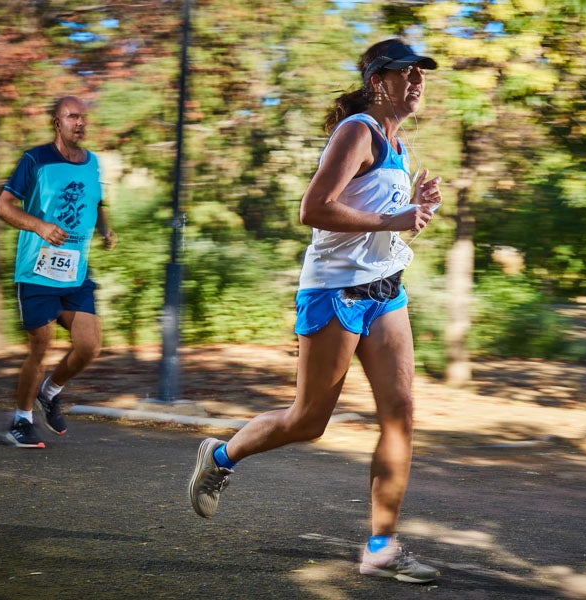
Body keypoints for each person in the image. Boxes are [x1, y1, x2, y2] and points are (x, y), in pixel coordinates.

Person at [187, 39, 443, 583]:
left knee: (400, 415)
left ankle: (382, 548)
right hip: (335, 292)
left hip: (385, 291)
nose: (418, 81)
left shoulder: (398, 146)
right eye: (407, 73)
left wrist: (415, 211)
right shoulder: (357, 132)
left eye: (421, 73)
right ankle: (221, 456)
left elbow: (379, 224)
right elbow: (314, 209)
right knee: (308, 421)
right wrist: (393, 220)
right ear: (378, 81)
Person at [0, 96, 117, 449]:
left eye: (83, 117)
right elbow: (3, 206)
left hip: (76, 271)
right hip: (37, 270)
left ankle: (49, 392)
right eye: (72, 116)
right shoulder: (35, 159)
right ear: (57, 122)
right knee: (40, 346)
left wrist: (105, 228)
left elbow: (97, 202)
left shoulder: (93, 163)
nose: (80, 122)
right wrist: (39, 226)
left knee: (89, 345)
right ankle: (21, 421)